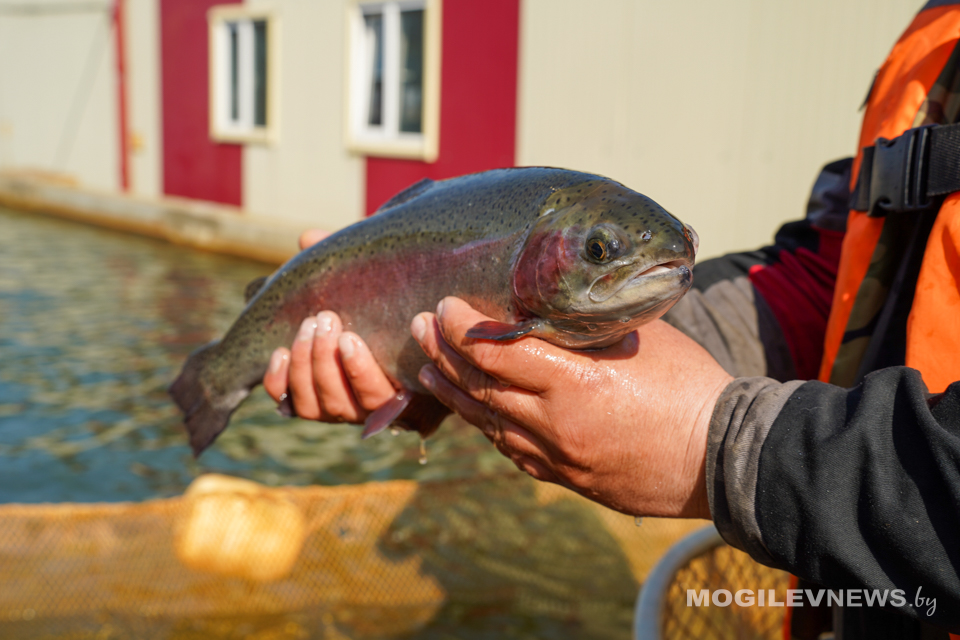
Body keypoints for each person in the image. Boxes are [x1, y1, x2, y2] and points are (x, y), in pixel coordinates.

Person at [262, 2, 960, 636]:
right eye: (599, 252)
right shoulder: (934, 35)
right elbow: (834, 283)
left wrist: (719, 442)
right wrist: (452, 374)